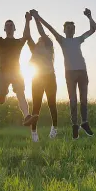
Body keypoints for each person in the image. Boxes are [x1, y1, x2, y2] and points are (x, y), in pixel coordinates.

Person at [31, 9, 96, 138]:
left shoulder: (78, 39)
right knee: (73, 100)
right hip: (70, 74)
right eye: (68, 28)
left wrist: (89, 17)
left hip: (82, 72)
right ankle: (75, 125)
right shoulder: (61, 40)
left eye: (72, 28)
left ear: (74, 30)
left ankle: (85, 122)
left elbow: (92, 30)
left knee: (84, 100)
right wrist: (38, 17)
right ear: (64, 30)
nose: (70, 30)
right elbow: (49, 28)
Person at [0, 8, 33, 126]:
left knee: (20, 93)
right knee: (1, 100)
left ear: (14, 29)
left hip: (16, 73)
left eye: (11, 25)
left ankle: (27, 116)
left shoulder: (18, 42)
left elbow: (26, 35)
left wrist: (27, 21)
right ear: (4, 29)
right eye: (7, 25)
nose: (9, 27)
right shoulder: (0, 41)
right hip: (2, 74)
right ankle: (2, 93)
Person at [28, 12, 60, 141]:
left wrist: (36, 18)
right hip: (37, 79)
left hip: (50, 78)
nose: (41, 39)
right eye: (40, 39)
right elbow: (28, 36)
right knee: (36, 106)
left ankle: (55, 128)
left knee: (52, 103)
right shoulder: (34, 49)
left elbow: (42, 32)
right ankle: (34, 132)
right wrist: (27, 21)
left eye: (43, 38)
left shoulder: (49, 47)